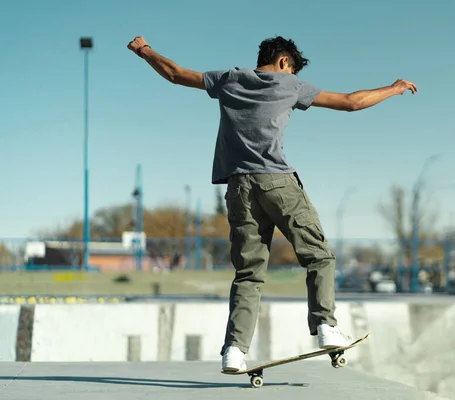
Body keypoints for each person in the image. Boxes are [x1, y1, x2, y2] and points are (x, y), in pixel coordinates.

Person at [127, 35, 418, 371]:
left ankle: (234, 350)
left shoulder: (229, 79)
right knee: (319, 255)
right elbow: (351, 102)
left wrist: (144, 50)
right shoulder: (289, 85)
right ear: (283, 63)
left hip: (238, 187)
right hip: (277, 182)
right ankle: (325, 326)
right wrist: (394, 88)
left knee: (248, 273)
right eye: (291, 70)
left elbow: (176, 74)